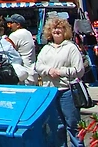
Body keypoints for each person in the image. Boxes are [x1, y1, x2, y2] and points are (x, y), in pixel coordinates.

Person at [35, 16, 85, 147]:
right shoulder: (46, 49)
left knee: (73, 124)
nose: (57, 30)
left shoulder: (71, 47)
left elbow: (79, 70)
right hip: (50, 93)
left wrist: (60, 72)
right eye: (54, 28)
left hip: (67, 91)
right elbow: (38, 66)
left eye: (60, 28)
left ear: (65, 31)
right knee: (57, 127)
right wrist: (48, 70)